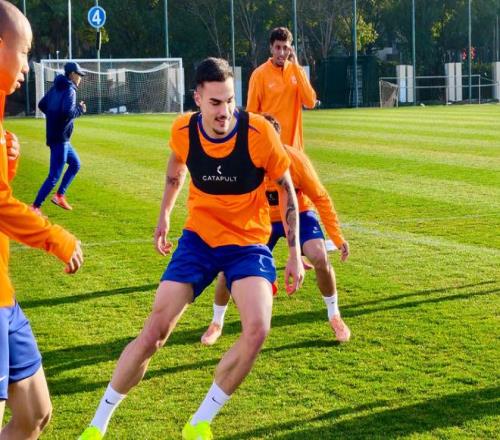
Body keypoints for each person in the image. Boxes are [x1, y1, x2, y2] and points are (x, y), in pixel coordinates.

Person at [78, 57, 303, 440]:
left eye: (229, 100)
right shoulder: (183, 129)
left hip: (247, 243)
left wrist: (294, 252)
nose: (224, 111)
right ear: (197, 98)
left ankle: (199, 422)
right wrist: (164, 216)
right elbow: (175, 167)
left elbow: (286, 189)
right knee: (154, 332)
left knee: (258, 328)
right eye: (215, 102)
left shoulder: (259, 132)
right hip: (199, 240)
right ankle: (97, 426)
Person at [0, 2, 84, 438]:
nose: (27, 64)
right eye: (24, 50)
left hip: (4, 295)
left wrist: (8, 160)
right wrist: (57, 239)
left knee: (35, 413)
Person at [201, 115, 351, 347]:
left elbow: (320, 197)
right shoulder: (244, 162)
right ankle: (216, 322)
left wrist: (337, 237)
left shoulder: (296, 160)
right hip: (261, 218)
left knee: (320, 257)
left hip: (299, 213)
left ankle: (334, 315)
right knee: (229, 266)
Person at [246, 26, 317, 151]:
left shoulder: (297, 71)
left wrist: (296, 67)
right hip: (270, 147)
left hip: (294, 149)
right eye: (278, 47)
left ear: (291, 49)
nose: (282, 53)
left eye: (285, 48)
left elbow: (310, 102)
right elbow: (251, 114)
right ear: (271, 48)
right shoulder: (259, 74)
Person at [32, 61, 87, 212]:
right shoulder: (70, 90)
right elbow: (68, 112)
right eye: (79, 75)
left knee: (75, 164)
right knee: (54, 176)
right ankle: (35, 207)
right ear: (72, 74)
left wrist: (53, 118)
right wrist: (80, 109)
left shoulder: (56, 87)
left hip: (59, 138)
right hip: (60, 139)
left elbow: (42, 104)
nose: (80, 78)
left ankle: (59, 196)